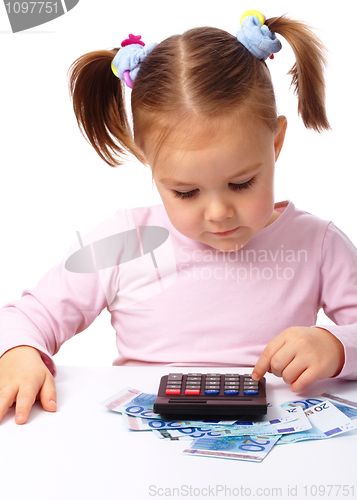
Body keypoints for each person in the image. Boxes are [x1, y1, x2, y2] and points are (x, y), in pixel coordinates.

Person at [0, 11, 356, 425]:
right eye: (186, 192)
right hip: (141, 445)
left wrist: (335, 346)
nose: (219, 212)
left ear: (275, 143)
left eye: (241, 183)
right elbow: (28, 316)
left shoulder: (318, 244)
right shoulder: (126, 240)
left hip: (272, 451)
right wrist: (20, 352)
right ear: (149, 162)